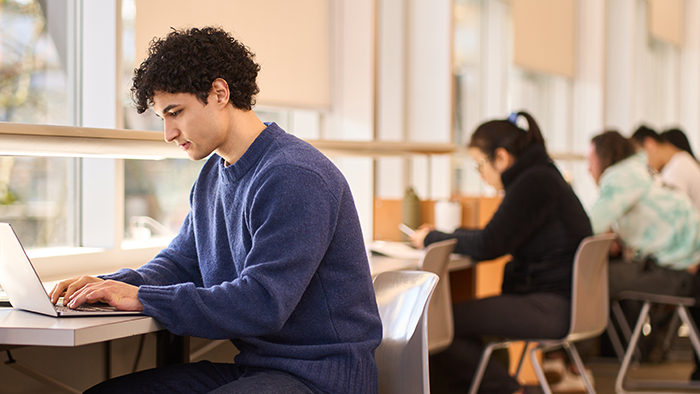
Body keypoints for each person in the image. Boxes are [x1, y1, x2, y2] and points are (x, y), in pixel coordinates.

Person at [48, 27, 382, 394]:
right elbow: (181, 262)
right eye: (162, 118)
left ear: (219, 93)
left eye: (175, 113)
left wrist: (142, 299)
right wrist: (114, 285)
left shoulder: (293, 175)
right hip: (260, 370)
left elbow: (262, 303)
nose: (168, 134)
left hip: (321, 378)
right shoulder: (214, 174)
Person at [410, 111, 592, 394]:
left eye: (479, 164)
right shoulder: (544, 175)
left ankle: (510, 391)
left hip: (550, 305)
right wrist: (450, 235)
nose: (481, 175)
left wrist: (431, 237)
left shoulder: (532, 183)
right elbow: (493, 236)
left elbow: (488, 244)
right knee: (449, 323)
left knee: (435, 324)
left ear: (502, 157)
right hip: (565, 301)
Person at [586, 131, 700, 299]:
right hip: (688, 267)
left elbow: (590, 226)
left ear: (603, 158)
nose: (588, 169)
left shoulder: (620, 177)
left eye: (590, 161)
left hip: (678, 271)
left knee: (593, 278)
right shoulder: (639, 169)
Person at [638, 128, 700, 210]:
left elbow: (667, 211)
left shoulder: (678, 168)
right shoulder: (683, 160)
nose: (644, 163)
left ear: (650, 144)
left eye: (640, 155)